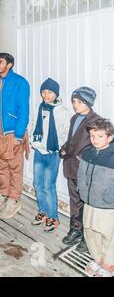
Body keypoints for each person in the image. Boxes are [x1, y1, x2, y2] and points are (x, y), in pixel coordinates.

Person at [0, 53, 30, 219]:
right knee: (0, 165)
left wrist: (18, 136)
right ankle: (3, 194)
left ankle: (14, 199)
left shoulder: (20, 83)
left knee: (14, 166)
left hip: (11, 132)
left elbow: (23, 111)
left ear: (9, 65)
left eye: (0, 62)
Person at [60, 86, 101, 253]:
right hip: (71, 167)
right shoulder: (74, 118)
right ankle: (75, 229)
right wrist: (64, 148)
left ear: (88, 102)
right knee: (74, 201)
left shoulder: (96, 121)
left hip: (85, 169)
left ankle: (86, 237)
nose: (75, 105)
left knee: (87, 203)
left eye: (79, 102)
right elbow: (72, 140)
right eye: (74, 101)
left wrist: (84, 156)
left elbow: (99, 145)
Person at [29, 78, 70, 232]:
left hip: (53, 154)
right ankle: (43, 211)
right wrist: (34, 142)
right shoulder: (37, 108)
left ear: (56, 94)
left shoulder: (63, 112)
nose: (46, 95)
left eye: (50, 92)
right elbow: (32, 125)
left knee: (48, 185)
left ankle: (53, 217)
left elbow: (67, 133)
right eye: (44, 91)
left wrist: (60, 147)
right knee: (37, 184)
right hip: (39, 152)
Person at [78, 119, 114, 277]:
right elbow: (81, 174)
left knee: (108, 233)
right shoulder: (88, 153)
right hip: (89, 200)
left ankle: (109, 263)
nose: (95, 139)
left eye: (100, 136)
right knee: (90, 230)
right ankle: (98, 258)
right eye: (92, 136)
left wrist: (110, 196)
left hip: (107, 204)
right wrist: (82, 189)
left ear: (110, 137)